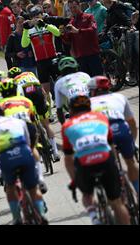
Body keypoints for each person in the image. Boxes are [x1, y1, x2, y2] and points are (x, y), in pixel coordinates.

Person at [62, 95, 131, 225]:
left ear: (71, 111)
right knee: (117, 203)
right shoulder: (101, 118)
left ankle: (94, 218)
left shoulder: (67, 125)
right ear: (89, 107)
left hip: (85, 164)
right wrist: (115, 167)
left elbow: (68, 158)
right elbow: (111, 146)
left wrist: (74, 180)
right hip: (105, 160)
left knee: (87, 195)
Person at [0, 101, 48, 224]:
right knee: (33, 189)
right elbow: (29, 144)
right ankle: (42, 215)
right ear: (3, 112)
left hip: (7, 157)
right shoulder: (19, 122)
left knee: (10, 188)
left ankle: (17, 218)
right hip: (23, 152)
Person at [88, 76, 139, 194]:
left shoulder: (88, 103)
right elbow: (132, 122)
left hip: (103, 131)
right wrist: (133, 142)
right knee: (130, 162)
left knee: (111, 164)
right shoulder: (120, 97)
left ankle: (118, 191)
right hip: (121, 128)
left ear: (93, 91)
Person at [22, 5, 61, 97]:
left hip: (53, 58)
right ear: (30, 18)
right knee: (45, 90)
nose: (36, 18)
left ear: (42, 15)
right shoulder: (30, 30)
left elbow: (58, 33)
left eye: (38, 16)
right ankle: (48, 111)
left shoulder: (47, 26)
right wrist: (25, 30)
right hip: (40, 62)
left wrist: (45, 25)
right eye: (33, 17)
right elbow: (24, 44)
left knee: (59, 85)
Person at [61, 0, 103, 77]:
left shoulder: (89, 17)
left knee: (98, 81)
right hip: (80, 58)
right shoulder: (71, 22)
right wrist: (63, 34)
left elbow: (93, 30)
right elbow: (68, 41)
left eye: (74, 7)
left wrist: (78, 31)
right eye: (71, 8)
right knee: (86, 85)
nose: (73, 9)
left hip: (93, 54)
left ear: (79, 6)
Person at [54, 56, 91, 124]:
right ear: (76, 67)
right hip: (90, 103)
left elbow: (59, 109)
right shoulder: (85, 75)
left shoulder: (58, 83)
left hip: (75, 106)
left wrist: (64, 127)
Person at [0, 0, 16, 68]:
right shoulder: (10, 13)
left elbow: (3, 32)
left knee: (7, 58)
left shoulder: (1, 16)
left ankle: (12, 75)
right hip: (15, 38)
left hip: (9, 41)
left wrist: (2, 44)